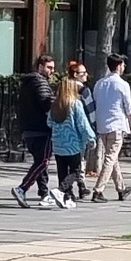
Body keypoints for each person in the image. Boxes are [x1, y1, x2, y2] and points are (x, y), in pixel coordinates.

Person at [11, 52, 57, 207]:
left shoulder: (28, 83)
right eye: (49, 67)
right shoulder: (40, 83)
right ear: (40, 67)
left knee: (40, 162)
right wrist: (58, 102)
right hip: (41, 128)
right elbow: (46, 103)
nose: (51, 71)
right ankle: (22, 188)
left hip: (28, 128)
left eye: (53, 68)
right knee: (43, 161)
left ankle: (44, 193)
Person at [88, 54, 131, 202]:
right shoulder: (122, 84)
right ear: (118, 66)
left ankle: (121, 188)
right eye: (122, 65)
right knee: (110, 158)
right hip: (117, 125)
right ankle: (98, 190)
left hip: (103, 125)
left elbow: (95, 102)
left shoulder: (100, 84)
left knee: (112, 157)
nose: (124, 67)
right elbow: (129, 107)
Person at [45, 77, 94, 208]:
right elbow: (83, 124)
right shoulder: (75, 104)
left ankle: (67, 197)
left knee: (62, 171)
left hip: (58, 144)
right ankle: (61, 190)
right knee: (76, 171)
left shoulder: (55, 105)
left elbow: (49, 122)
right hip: (73, 144)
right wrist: (91, 138)